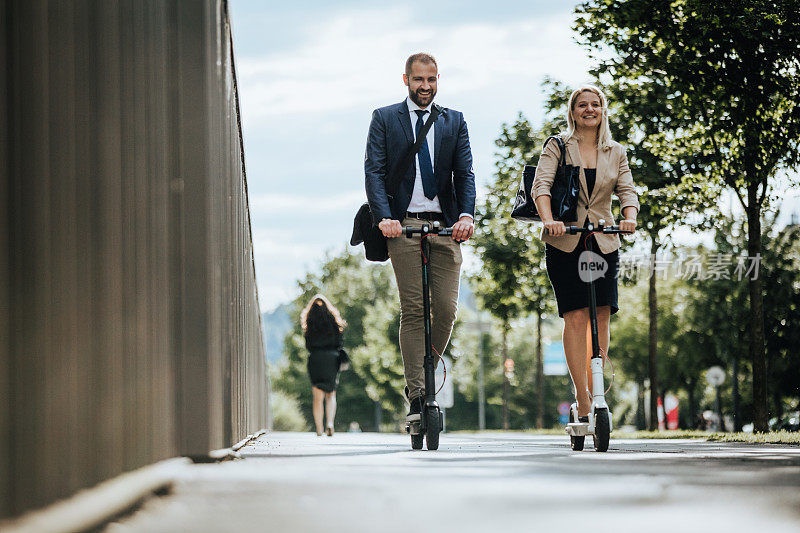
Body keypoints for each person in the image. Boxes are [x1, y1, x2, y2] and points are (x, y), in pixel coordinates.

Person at [364, 53, 476, 425]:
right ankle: (418, 392)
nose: (425, 87)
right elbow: (375, 172)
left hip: (445, 225)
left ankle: (423, 370)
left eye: (431, 80)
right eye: (418, 80)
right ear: (405, 80)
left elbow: (465, 173)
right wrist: (384, 218)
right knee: (414, 309)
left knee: (445, 309)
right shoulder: (384, 118)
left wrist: (465, 215)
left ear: (438, 79)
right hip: (403, 225)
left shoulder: (454, 121)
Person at [531, 84, 639, 422]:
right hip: (566, 241)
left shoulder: (615, 151)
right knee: (576, 316)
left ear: (603, 110)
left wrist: (629, 218)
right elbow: (541, 186)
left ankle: (597, 385)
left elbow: (627, 189)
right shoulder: (558, 145)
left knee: (603, 314)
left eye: (595, 104)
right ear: (573, 110)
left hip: (603, 240)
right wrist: (550, 221)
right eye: (582, 105)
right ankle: (581, 394)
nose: (589, 109)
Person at [301, 294, 348, 436]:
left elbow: (308, 345)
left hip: (315, 359)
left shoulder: (310, 322)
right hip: (331, 359)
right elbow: (340, 342)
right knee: (331, 394)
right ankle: (330, 423)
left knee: (317, 396)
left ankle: (319, 428)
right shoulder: (333, 321)